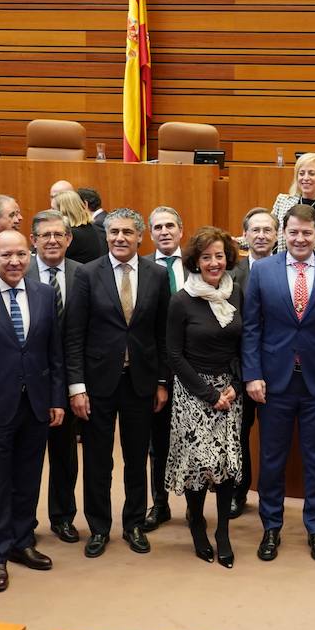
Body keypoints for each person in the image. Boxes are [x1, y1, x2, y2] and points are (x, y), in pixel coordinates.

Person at [243, 203, 315, 562]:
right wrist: (252, 374)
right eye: (293, 232)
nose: (300, 238)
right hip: (273, 383)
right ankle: (271, 528)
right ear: (283, 234)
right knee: (272, 461)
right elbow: (252, 329)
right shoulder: (262, 271)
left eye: (307, 233)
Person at [0, 230, 66, 592]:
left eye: (21, 254)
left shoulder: (45, 294)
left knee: (28, 478)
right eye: (7, 255)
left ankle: (22, 542)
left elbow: (54, 354)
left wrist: (56, 399)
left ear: (30, 254)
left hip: (35, 404)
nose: (15, 261)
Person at [65, 208, 171, 558]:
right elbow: (75, 333)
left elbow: (161, 334)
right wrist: (77, 386)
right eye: (114, 232)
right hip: (97, 383)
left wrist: (161, 382)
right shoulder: (87, 274)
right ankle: (98, 527)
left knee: (137, 456)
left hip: (140, 382)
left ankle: (134, 524)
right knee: (97, 459)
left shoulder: (156, 274)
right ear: (106, 235)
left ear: (141, 236)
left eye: (127, 232)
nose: (120, 238)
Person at [165, 226, 244, 568]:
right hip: (194, 392)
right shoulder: (181, 299)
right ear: (196, 262)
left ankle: (222, 531)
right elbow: (174, 354)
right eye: (206, 257)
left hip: (230, 390)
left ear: (228, 259)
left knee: (226, 463)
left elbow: (245, 343)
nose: (214, 262)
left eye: (219, 256)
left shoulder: (236, 293)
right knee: (199, 465)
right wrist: (209, 394)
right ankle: (197, 523)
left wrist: (235, 387)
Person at [28, 210, 85, 544]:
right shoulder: (19, 272)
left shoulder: (83, 274)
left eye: (58, 234)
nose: (52, 240)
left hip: (69, 379)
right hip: (31, 379)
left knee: (65, 455)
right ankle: (24, 521)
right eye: (44, 235)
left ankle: (63, 516)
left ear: (69, 239)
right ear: (33, 240)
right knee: (30, 454)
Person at [228, 206, 276, 517]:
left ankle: (272, 497)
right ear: (244, 236)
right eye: (254, 230)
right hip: (238, 368)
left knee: (273, 437)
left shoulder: (288, 269)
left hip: (277, 368)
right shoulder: (231, 276)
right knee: (239, 434)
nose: (260, 235)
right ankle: (238, 492)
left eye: (267, 230)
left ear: (277, 236)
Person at [145, 205, 186, 529]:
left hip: (195, 367)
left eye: (170, 225)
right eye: (157, 227)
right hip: (158, 367)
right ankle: (159, 503)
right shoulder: (143, 268)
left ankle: (195, 503)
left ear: (181, 230)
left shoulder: (197, 264)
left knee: (194, 437)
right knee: (157, 441)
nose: (164, 231)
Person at [53, 189, 104, 265]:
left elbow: (52, 258)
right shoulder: (91, 227)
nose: (51, 212)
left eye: (53, 209)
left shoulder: (72, 234)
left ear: (63, 211)